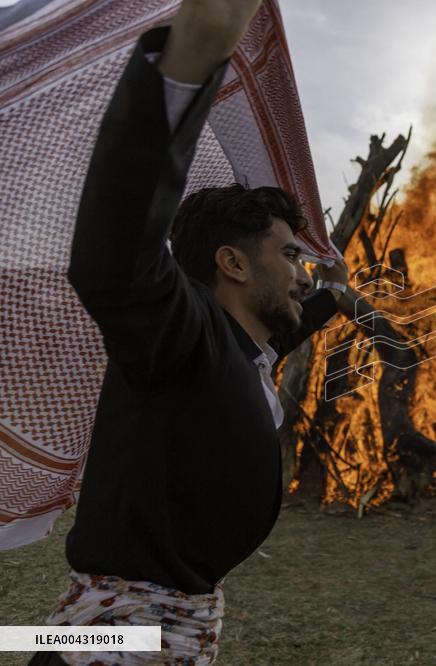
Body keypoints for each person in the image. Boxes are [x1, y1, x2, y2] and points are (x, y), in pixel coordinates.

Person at [30, 1, 348, 663]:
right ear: (230, 263)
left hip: (163, 630)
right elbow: (114, 259)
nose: (303, 273)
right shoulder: (181, 338)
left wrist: (341, 299)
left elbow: (285, 332)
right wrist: (185, 67)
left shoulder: (237, 348)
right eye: (290, 256)